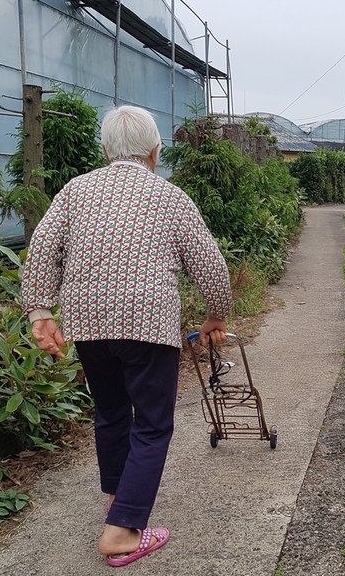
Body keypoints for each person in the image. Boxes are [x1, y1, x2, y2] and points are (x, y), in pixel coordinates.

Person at [21, 105, 232, 567]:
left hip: (90, 325)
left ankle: (119, 501)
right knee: (153, 424)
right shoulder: (170, 197)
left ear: (104, 151)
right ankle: (122, 532)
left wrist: (40, 311)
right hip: (148, 326)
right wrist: (217, 314)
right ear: (155, 152)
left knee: (112, 412)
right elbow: (209, 262)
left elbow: (42, 247)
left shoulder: (76, 191)